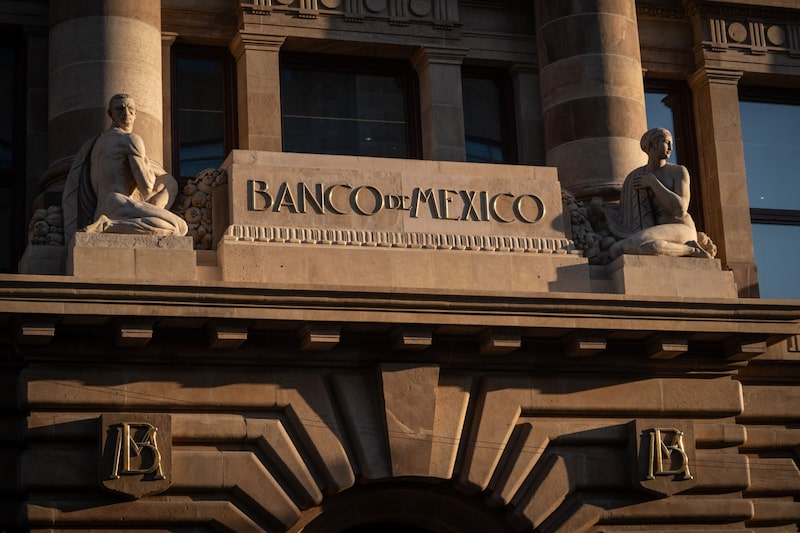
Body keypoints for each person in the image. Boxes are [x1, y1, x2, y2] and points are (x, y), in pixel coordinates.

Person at [62, 94, 187, 242]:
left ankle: (107, 224)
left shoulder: (97, 143)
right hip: (119, 204)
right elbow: (146, 187)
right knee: (179, 227)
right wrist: (152, 167)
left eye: (130, 109)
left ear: (135, 113)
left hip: (103, 208)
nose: (126, 113)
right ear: (111, 114)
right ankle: (107, 226)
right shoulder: (130, 139)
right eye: (120, 109)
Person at [603, 128, 714, 259]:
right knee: (616, 249)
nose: (671, 148)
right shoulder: (636, 176)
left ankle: (692, 250)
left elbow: (680, 209)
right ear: (652, 145)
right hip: (655, 232)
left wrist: (653, 182)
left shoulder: (678, 171)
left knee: (633, 246)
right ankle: (685, 249)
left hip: (681, 228)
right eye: (667, 142)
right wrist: (604, 210)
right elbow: (628, 212)